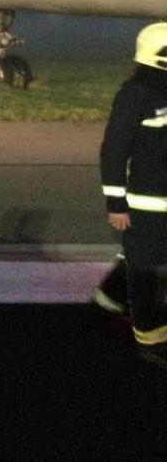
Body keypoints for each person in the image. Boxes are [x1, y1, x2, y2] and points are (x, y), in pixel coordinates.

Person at [99, 22, 167, 367]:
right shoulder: (136, 95)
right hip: (145, 207)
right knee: (144, 271)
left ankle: (109, 299)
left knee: (147, 266)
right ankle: (149, 341)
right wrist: (116, 203)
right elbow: (113, 151)